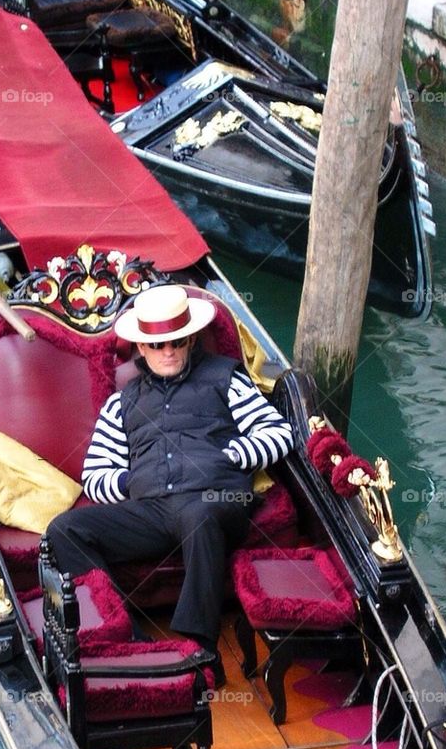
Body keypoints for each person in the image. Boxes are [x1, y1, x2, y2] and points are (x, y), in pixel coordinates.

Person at [46, 285, 293, 677]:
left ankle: (201, 648)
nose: (168, 352)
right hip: (154, 509)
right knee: (64, 530)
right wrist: (131, 483)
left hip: (217, 499)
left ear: (190, 339)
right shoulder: (120, 403)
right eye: (157, 344)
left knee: (199, 515)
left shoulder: (225, 378)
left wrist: (231, 456)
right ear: (142, 348)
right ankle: (129, 636)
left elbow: (278, 433)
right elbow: (95, 474)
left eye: (177, 342)